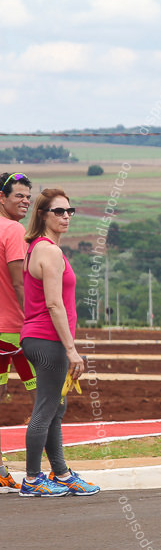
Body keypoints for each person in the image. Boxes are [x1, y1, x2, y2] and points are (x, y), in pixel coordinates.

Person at [19, 188, 99, 496]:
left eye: (69, 211)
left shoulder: (41, 248)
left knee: (55, 407)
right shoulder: (48, 251)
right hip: (48, 339)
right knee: (46, 407)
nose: (66, 216)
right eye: (58, 211)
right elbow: (54, 305)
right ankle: (31, 478)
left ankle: (62, 474)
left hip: (41, 338)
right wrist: (71, 350)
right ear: (42, 215)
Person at [0, 172, 36, 492]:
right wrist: (35, 318)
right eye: (18, 196)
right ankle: (46, 472)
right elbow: (18, 282)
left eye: (28, 196)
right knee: (47, 397)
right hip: (14, 330)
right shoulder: (13, 229)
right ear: (1, 197)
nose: (25, 201)